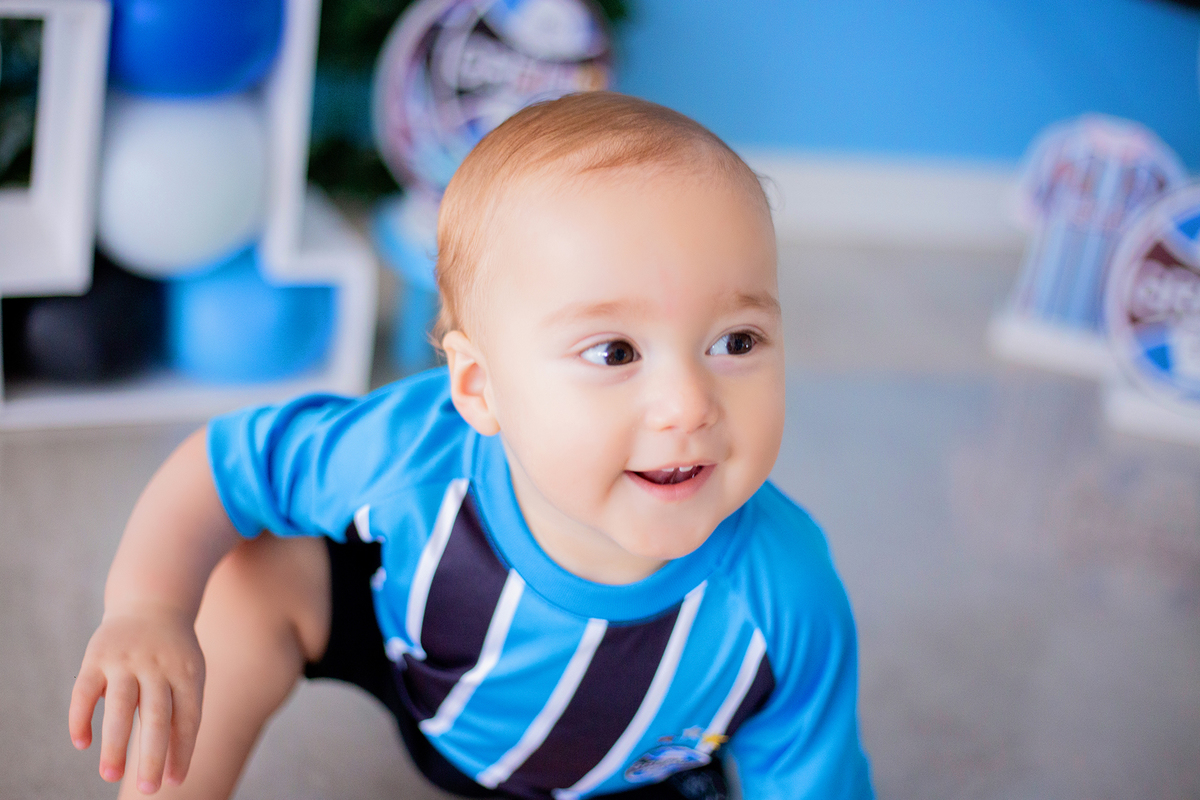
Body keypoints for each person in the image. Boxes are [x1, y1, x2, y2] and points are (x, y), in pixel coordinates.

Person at [69, 92, 873, 800]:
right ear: (480, 388)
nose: (690, 405)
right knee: (253, 573)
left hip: (625, 772)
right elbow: (228, 466)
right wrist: (149, 607)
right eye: (615, 352)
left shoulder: (787, 595)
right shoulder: (413, 454)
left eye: (736, 341)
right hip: (424, 663)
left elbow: (811, 773)